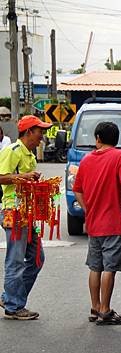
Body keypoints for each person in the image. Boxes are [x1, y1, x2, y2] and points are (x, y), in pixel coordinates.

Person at [72, 122, 121, 325]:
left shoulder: (86, 159)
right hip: (113, 222)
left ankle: (95, 307)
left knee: (95, 266)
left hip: (93, 223)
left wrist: (88, 209)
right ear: (116, 139)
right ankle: (105, 310)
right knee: (110, 267)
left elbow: (77, 189)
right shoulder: (120, 157)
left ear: (98, 138)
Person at [0, 115, 49, 320]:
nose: (43, 136)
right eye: (40, 132)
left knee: (37, 259)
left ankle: (10, 298)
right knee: (16, 261)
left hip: (27, 213)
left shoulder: (29, 154)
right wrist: (23, 177)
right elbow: (1, 176)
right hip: (14, 212)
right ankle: (13, 306)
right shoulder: (12, 151)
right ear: (29, 132)